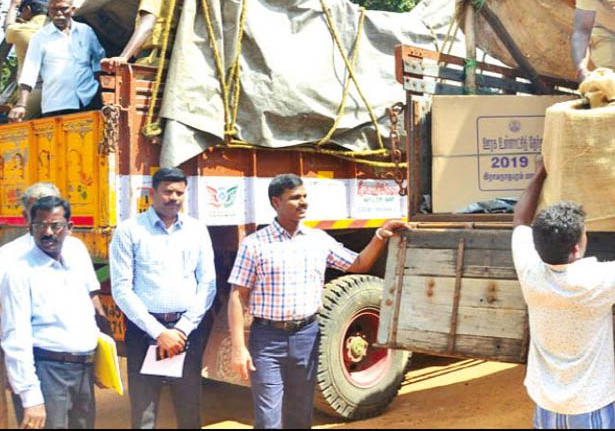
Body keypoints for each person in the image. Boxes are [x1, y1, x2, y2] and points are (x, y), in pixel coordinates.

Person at [227, 173, 409, 429]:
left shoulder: (318, 240)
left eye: (304, 197)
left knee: (301, 414)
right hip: (267, 340)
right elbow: (237, 296)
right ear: (276, 202)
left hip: (307, 337)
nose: (303, 203)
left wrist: (380, 235)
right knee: (268, 418)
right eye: (295, 198)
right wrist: (238, 348)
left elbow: (358, 264)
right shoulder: (255, 244)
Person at [511, 162, 615, 429]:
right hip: (590, 409)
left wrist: (543, 170)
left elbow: (519, 220)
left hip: (546, 406)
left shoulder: (530, 271)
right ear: (577, 249)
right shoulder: (597, 281)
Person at [109, 167, 216, 429]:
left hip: (185, 332)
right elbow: (121, 288)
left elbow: (208, 284)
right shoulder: (129, 231)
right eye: (167, 191)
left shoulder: (197, 230)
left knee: (189, 406)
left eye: (179, 192)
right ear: (152, 193)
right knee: (145, 410)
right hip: (146, 332)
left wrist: (182, 328)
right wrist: (159, 332)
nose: (174, 198)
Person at [0, 182, 108, 428]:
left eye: (55, 225)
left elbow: (91, 307)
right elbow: (15, 333)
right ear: (30, 225)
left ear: (68, 227)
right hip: (47, 370)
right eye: (41, 224)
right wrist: (29, 395)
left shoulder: (77, 252)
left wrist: (101, 360)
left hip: (83, 369)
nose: (48, 232)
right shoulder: (17, 268)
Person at [9, 0, 105, 122]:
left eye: (63, 9)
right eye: (54, 9)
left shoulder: (86, 31)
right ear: (49, 10)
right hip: (57, 104)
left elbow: (98, 60)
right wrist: (21, 104)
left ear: (73, 10)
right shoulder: (40, 37)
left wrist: (100, 90)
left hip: (88, 100)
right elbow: (30, 71)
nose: (59, 14)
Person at [3, 0, 49, 120]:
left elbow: (8, 27)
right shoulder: (57, 28)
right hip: (57, 90)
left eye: (21, 10)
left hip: (32, 92)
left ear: (28, 9)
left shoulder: (22, 30)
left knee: (14, 130)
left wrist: (13, 5)